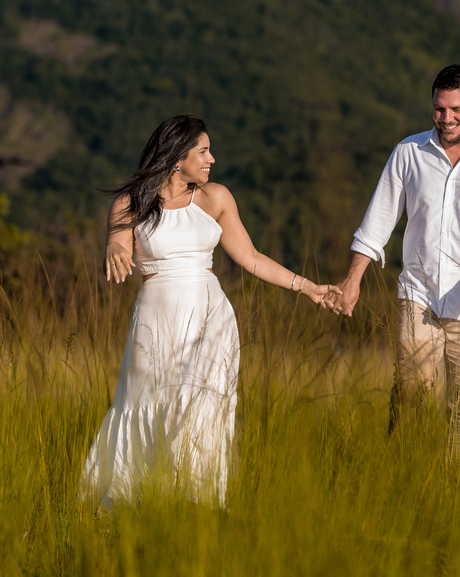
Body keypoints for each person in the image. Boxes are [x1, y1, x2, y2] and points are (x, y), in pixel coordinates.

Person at [83, 115, 335, 509]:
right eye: (203, 151)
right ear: (176, 156)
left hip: (209, 317)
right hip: (156, 318)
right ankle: (136, 505)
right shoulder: (129, 202)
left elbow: (251, 258)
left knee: (203, 406)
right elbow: (117, 245)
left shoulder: (215, 198)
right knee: (145, 401)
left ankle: (196, 505)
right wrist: (114, 250)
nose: (211, 159)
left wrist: (306, 287)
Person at [327, 65, 460, 467]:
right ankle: (401, 480)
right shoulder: (409, 152)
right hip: (418, 297)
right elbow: (377, 223)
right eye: (439, 109)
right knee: (409, 395)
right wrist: (353, 280)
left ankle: (458, 497)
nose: (447, 119)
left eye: (456, 109)